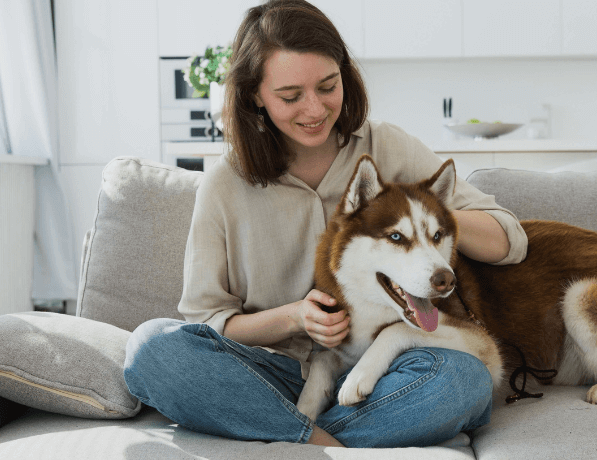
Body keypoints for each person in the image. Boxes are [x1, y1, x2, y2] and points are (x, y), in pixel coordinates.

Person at [123, 0, 528, 449]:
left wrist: (423, 215)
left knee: (461, 380)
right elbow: (209, 320)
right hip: (269, 373)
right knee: (151, 349)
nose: (314, 109)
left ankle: (291, 440)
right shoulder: (224, 185)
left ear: (344, 75)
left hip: (382, 368)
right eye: (290, 96)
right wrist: (295, 318)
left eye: (327, 86)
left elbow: (508, 240)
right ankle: (323, 443)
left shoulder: (386, 146)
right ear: (255, 94)